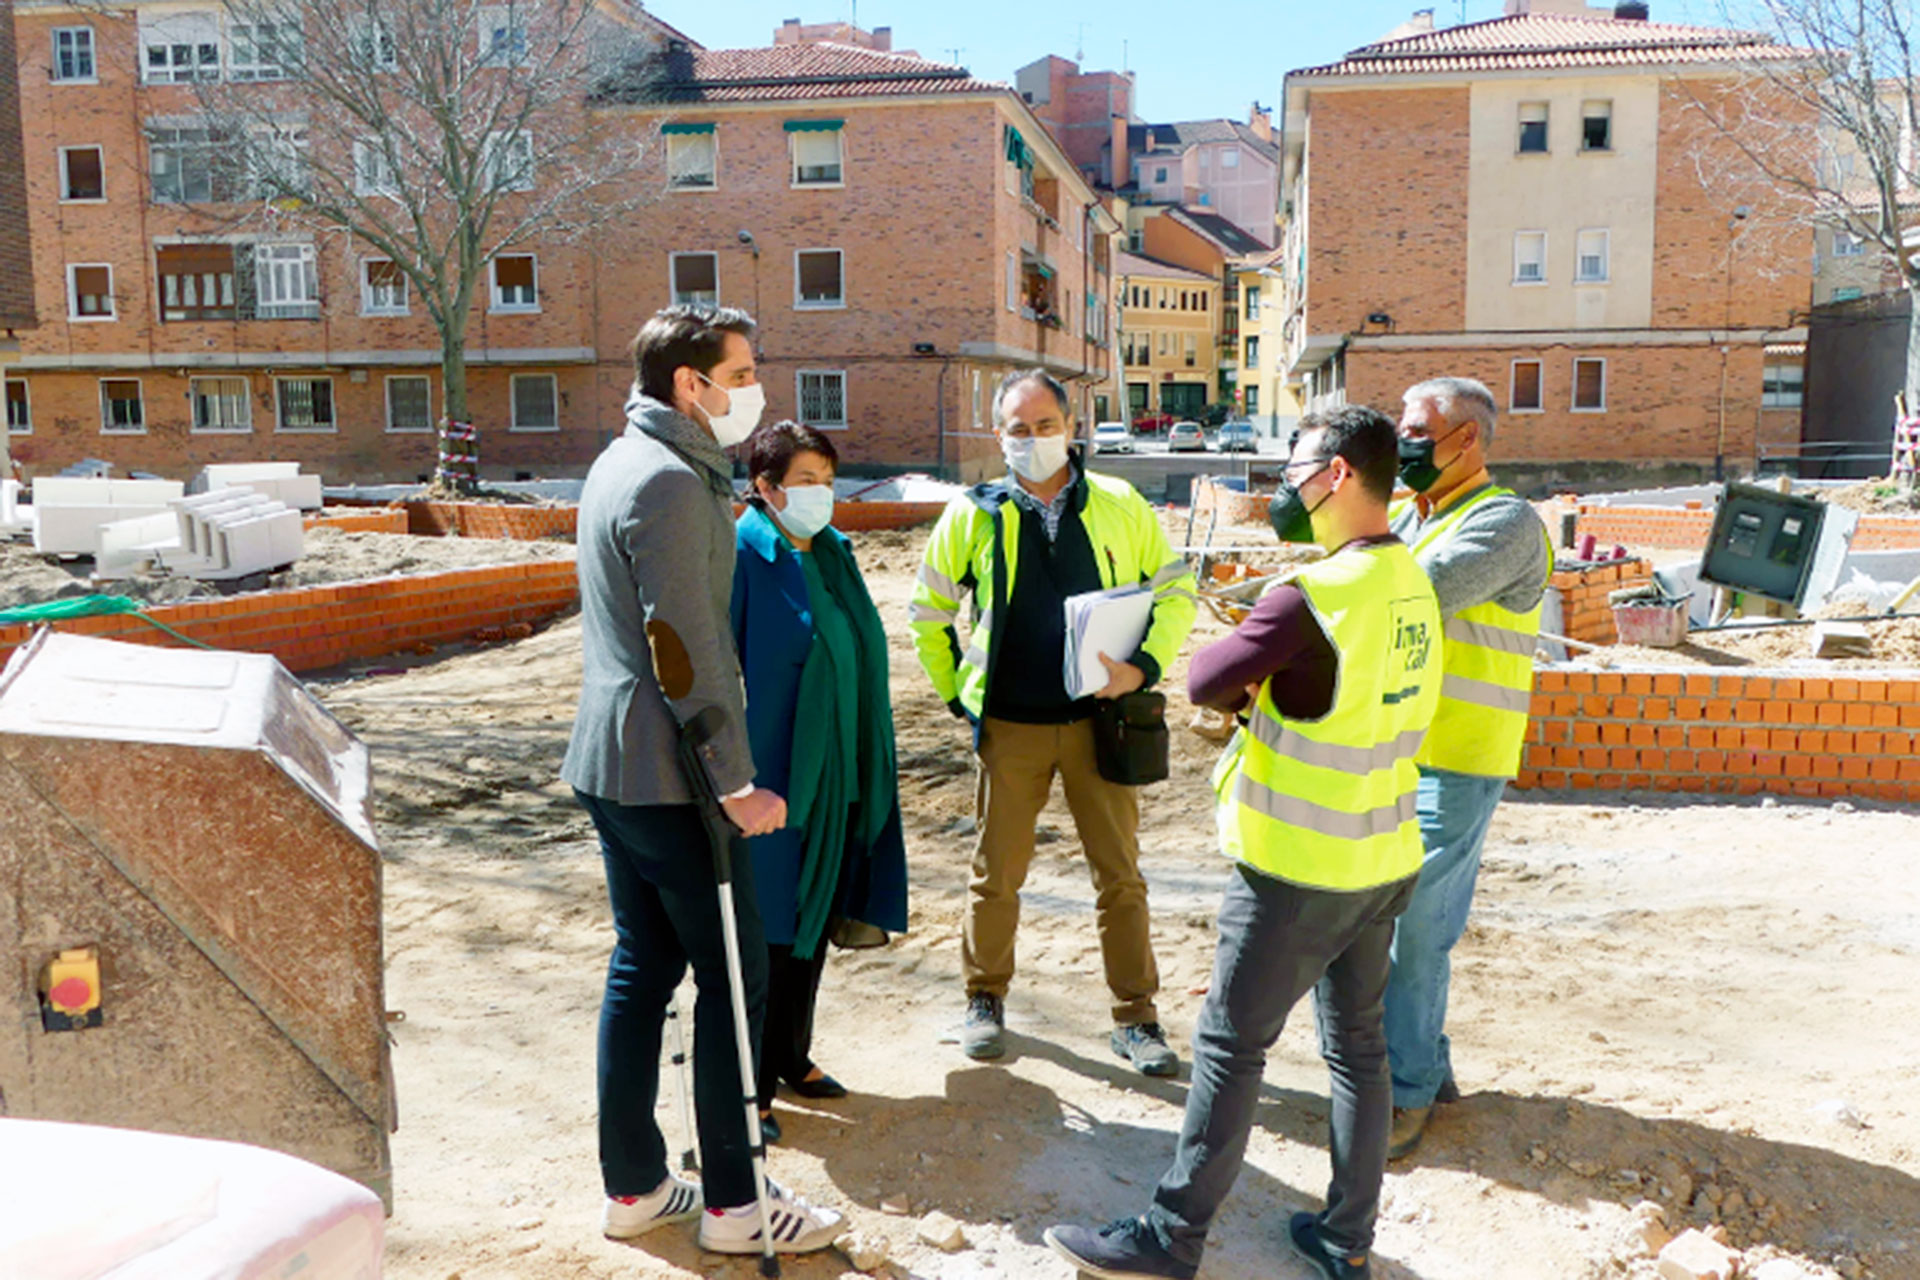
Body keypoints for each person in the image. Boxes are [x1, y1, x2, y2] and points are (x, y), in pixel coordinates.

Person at [1044, 406, 1443, 1280]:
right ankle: (1346, 1239)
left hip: (1298, 864)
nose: (1286, 485)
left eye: (1297, 465)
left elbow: (1205, 678)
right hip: (1383, 856)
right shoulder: (1410, 579)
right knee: (1361, 1051)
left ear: (1337, 474)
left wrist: (1147, 678)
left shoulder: (1312, 595)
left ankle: (1170, 1237)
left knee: (1230, 1045)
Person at [560, 304, 841, 1256]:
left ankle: (635, 1185)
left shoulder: (620, 462)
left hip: (614, 762)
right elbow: (684, 647)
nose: (753, 389)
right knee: (732, 977)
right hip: (671, 775)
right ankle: (735, 1204)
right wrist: (734, 780)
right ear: (692, 384)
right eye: (743, 370)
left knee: (643, 967)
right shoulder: (673, 484)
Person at [909, 369, 1197, 1075]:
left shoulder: (1122, 504)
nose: (1032, 440)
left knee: (1120, 876)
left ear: (1071, 426)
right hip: (1011, 726)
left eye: (1044, 426)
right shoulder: (972, 514)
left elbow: (1176, 589)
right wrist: (958, 696)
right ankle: (984, 998)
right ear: (998, 435)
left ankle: (1137, 1017)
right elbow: (929, 614)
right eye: (1017, 428)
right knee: (995, 874)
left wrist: (1146, 669)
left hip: (1102, 722)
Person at [1384, 376, 1552, 1159]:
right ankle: (1429, 1063)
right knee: (1399, 922)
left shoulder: (1504, 522)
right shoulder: (1406, 516)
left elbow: (1409, 596)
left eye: (1418, 430)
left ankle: (1406, 1092)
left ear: (1466, 440)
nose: (1404, 442)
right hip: (1394, 752)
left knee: (1414, 931)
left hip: (1457, 756)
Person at [731, 420, 909, 1144]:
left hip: (842, 770)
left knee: (815, 921)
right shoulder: (744, 553)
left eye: (828, 480)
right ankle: (751, 1085)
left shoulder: (833, 552)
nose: (821, 494)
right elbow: (723, 671)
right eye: (805, 481)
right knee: (769, 930)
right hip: (773, 777)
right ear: (766, 487)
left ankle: (792, 1058)